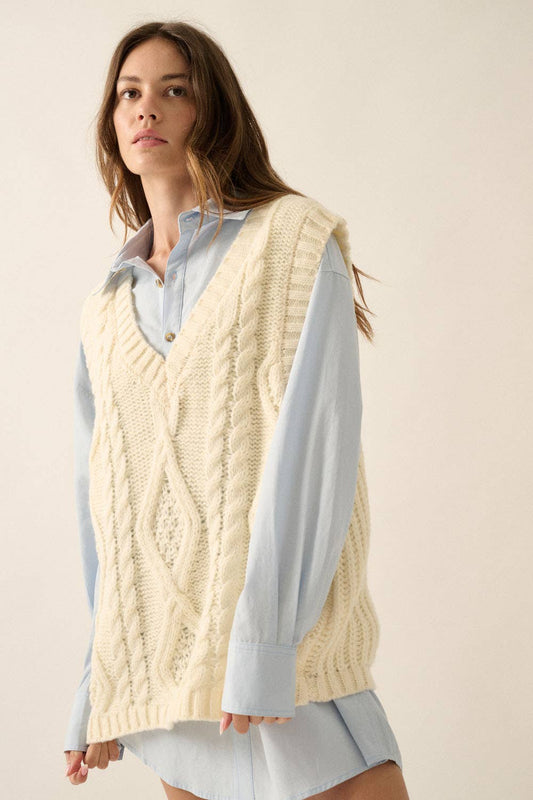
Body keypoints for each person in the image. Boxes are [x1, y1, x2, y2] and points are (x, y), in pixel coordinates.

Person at [62, 20, 410, 800]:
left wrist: (264, 647)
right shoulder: (103, 309)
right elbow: (103, 512)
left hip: (284, 670)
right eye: (128, 93)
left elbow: (314, 450)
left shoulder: (292, 242)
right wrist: (100, 678)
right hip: (168, 696)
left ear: (211, 110)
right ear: (112, 121)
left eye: (173, 90)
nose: (146, 108)